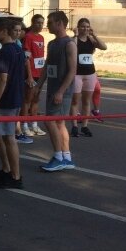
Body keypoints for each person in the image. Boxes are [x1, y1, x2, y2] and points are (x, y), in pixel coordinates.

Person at [34, 10, 77, 172]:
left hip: (62, 91)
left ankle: (58, 157)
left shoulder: (69, 44)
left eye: (50, 22)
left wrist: (61, 91)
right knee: (59, 123)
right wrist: (39, 85)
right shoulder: (52, 44)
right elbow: (47, 66)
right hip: (52, 88)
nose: (47, 25)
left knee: (49, 120)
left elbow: (72, 71)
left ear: (60, 23)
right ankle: (66, 157)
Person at [0, 17, 26, 188]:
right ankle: (6, 169)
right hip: (14, 97)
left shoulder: (6, 52)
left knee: (9, 137)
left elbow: (3, 78)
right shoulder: (17, 50)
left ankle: (15, 177)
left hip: (7, 101)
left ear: (4, 31)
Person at [70, 18, 106, 137]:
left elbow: (104, 47)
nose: (85, 29)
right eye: (83, 26)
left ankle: (85, 126)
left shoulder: (91, 40)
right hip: (77, 74)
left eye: (87, 26)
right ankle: (74, 126)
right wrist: (75, 35)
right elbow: (73, 48)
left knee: (86, 101)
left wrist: (94, 35)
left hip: (90, 73)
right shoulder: (73, 40)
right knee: (75, 101)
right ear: (78, 27)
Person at [22, 14, 46, 137]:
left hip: (39, 74)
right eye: (38, 22)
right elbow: (27, 58)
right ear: (32, 23)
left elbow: (41, 57)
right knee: (27, 100)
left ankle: (34, 125)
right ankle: (24, 126)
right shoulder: (28, 37)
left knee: (36, 100)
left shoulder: (41, 37)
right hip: (30, 74)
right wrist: (29, 76)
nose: (40, 25)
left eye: (42, 23)